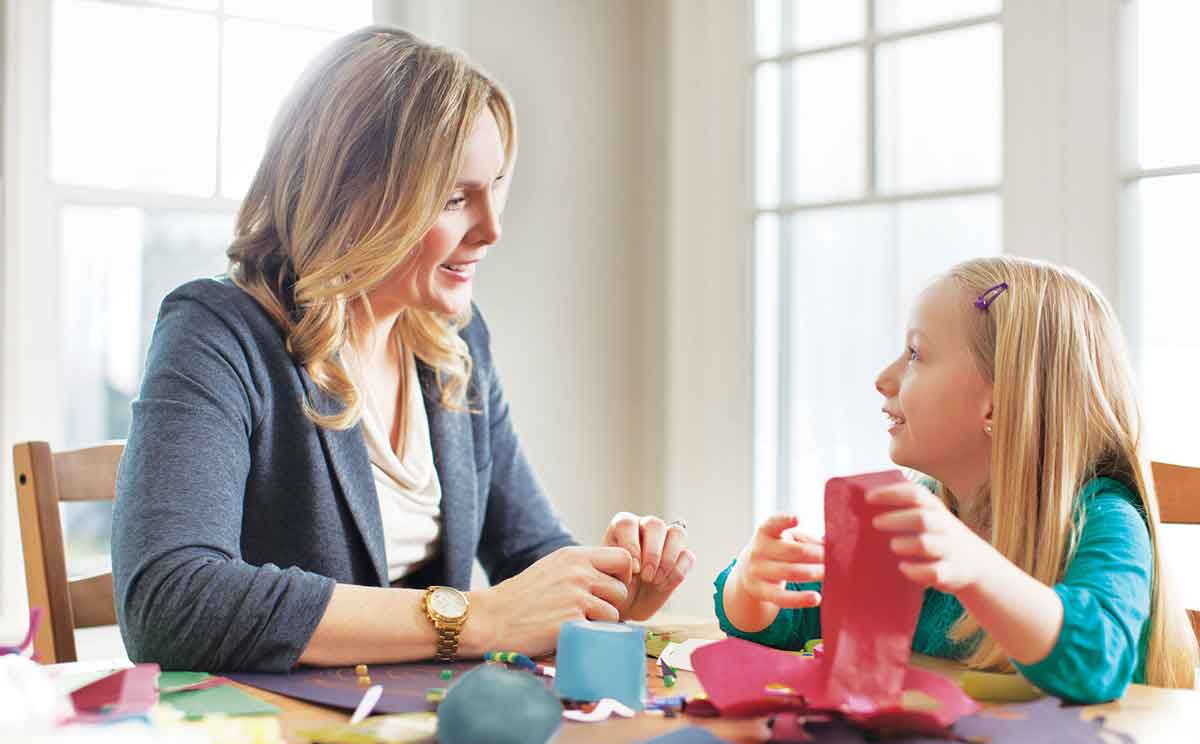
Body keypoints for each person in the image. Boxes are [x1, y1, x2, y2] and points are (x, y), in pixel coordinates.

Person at [111, 26, 694, 672]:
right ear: (355, 199)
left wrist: (610, 583)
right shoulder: (216, 333)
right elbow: (171, 603)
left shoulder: (456, 347)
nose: (493, 229)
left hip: (416, 734)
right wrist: (477, 617)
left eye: (494, 185)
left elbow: (529, 555)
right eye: (453, 198)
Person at [715, 257, 1197, 703]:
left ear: (997, 400)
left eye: (916, 354)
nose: (884, 377)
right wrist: (755, 586)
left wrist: (977, 567)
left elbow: (1098, 661)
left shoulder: (1104, 519)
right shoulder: (918, 513)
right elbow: (797, 619)